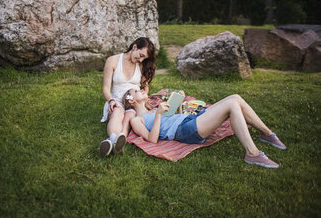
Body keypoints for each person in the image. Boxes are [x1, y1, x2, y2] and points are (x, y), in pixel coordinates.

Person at [123, 88, 286, 168]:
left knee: (235, 97)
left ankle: (267, 133)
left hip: (190, 119)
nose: (142, 89)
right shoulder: (137, 120)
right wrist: (158, 115)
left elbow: (172, 117)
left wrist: (177, 102)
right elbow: (152, 139)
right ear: (131, 101)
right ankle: (252, 153)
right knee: (231, 105)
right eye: (137, 91)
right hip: (183, 131)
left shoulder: (153, 108)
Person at [99, 37, 156, 156]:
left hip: (133, 101)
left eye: (143, 58)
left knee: (128, 119)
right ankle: (114, 140)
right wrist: (111, 100)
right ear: (134, 47)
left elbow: (145, 86)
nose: (140, 59)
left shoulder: (140, 65)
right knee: (117, 114)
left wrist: (144, 93)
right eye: (140, 55)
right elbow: (105, 88)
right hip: (116, 100)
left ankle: (114, 142)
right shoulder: (113, 61)